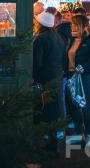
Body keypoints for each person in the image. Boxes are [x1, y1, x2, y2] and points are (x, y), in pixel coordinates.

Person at [67, 15, 90, 147]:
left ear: (82, 26)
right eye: (72, 25)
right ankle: (78, 134)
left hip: (86, 76)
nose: (72, 27)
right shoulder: (72, 40)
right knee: (75, 106)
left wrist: (84, 67)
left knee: (86, 105)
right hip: (72, 76)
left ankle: (89, 134)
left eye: (75, 25)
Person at [33, 11, 66, 151]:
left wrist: (35, 78)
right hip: (56, 77)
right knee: (53, 110)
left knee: (44, 109)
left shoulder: (40, 39)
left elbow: (37, 62)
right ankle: (53, 142)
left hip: (44, 79)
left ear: (40, 24)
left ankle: (49, 143)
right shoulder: (58, 37)